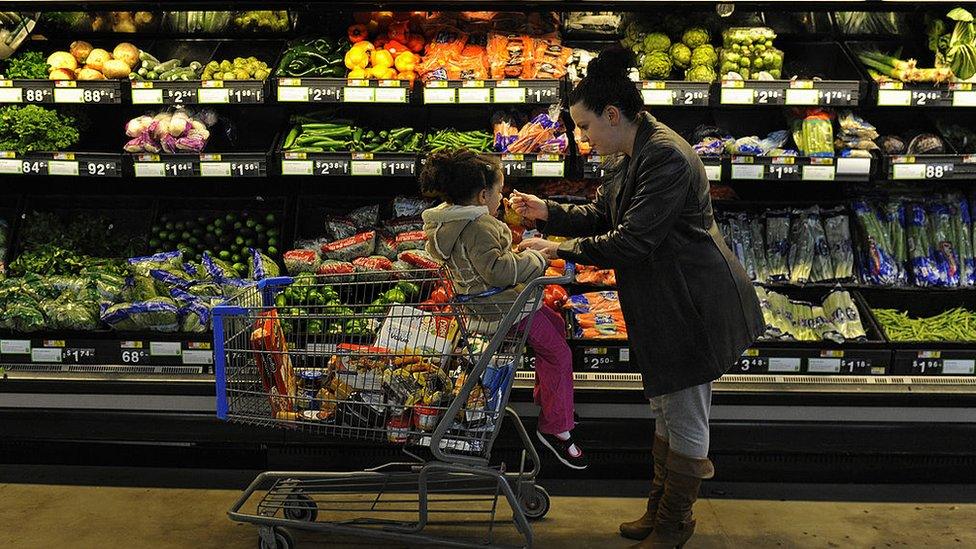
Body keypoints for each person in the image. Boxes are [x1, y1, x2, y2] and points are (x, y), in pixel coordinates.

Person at [513, 46, 763, 547]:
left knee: (685, 408)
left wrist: (558, 246)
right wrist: (548, 211)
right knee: (667, 406)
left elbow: (632, 240)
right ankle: (659, 511)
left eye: (585, 128)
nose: (581, 139)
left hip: (693, 299)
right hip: (663, 296)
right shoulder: (627, 153)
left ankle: (674, 523)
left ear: (612, 114)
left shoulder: (665, 156)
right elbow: (603, 216)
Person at [419, 148, 588, 470]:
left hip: (490, 305)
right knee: (559, 354)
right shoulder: (480, 226)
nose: (502, 198)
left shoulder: (449, 223)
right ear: (483, 195)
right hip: (505, 308)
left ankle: (555, 400)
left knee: (554, 324)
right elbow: (496, 271)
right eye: (499, 191)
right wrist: (537, 258)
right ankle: (556, 428)